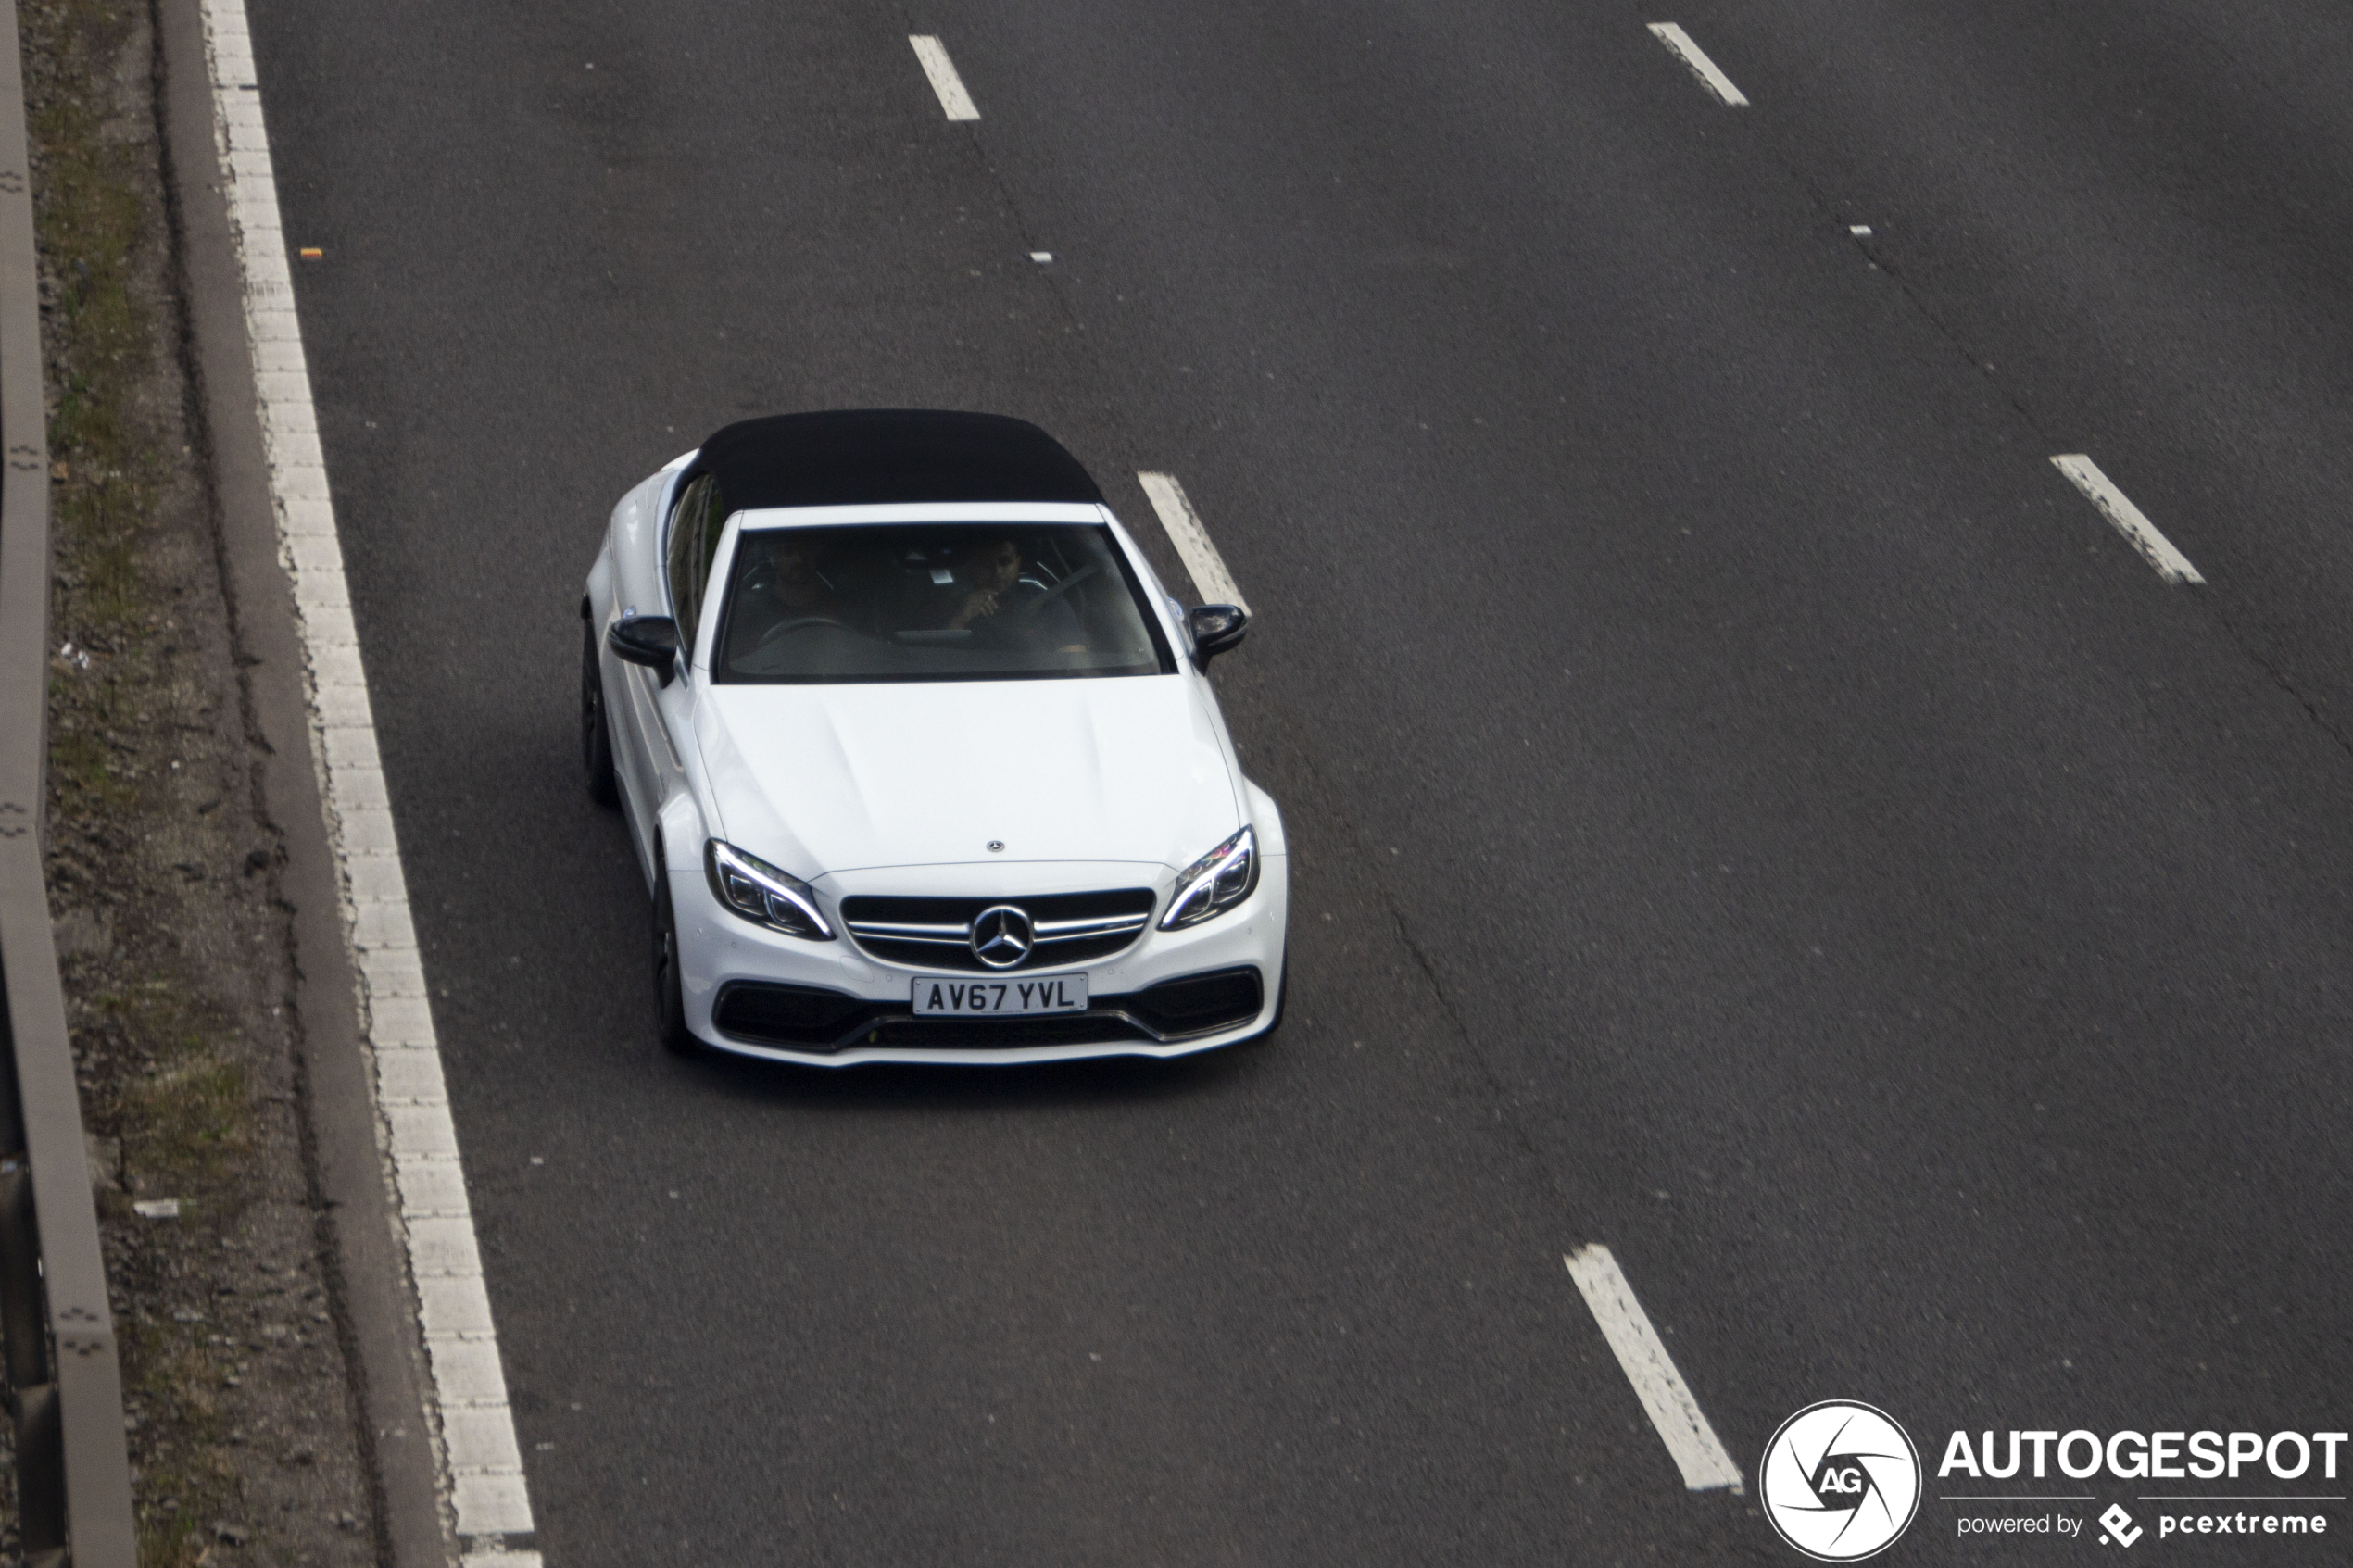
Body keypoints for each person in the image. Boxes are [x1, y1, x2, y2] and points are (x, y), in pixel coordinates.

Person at [946, 537, 1088, 652]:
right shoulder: (952, 604)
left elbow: (1074, 661)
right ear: (972, 567)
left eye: (1005, 562)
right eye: (985, 564)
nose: (997, 571)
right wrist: (961, 617)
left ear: (1018, 562)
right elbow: (938, 656)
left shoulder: (1046, 603)